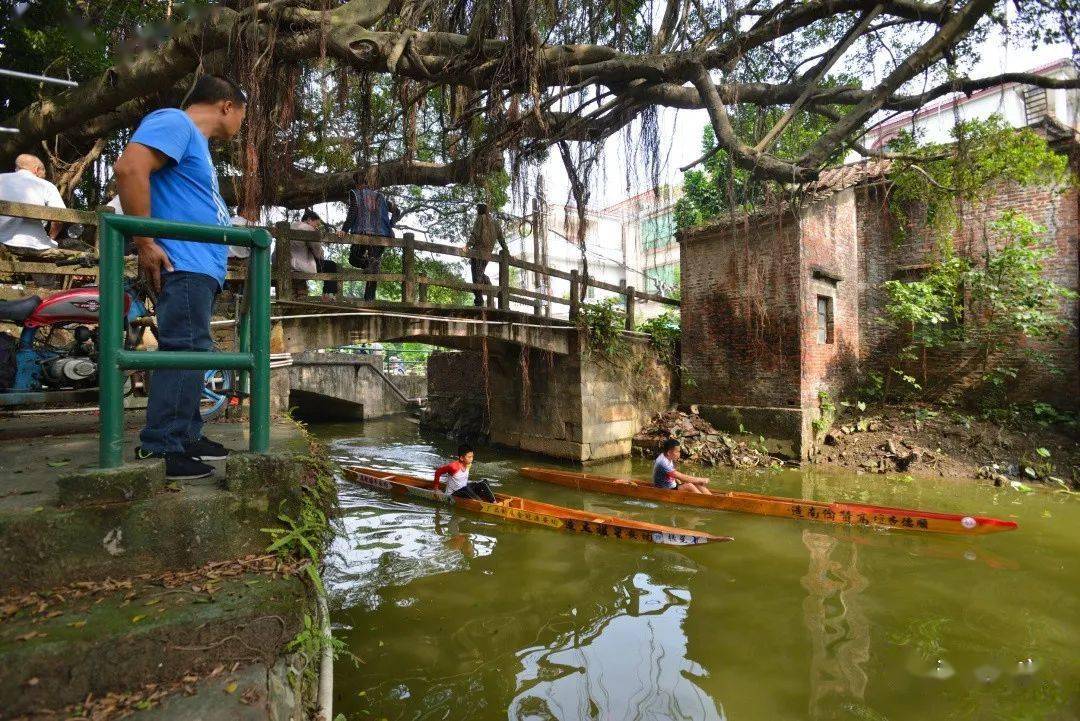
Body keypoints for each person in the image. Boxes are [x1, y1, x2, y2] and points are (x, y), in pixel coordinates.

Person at [114, 74, 247, 481]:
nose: (242, 124)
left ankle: (187, 436)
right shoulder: (175, 122)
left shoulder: (196, 146)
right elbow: (129, 168)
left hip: (199, 269)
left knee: (194, 352)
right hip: (184, 265)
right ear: (228, 106)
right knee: (183, 348)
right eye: (244, 115)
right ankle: (161, 447)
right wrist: (145, 239)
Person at [341, 175, 399, 301]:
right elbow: (397, 211)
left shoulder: (355, 193)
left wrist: (344, 230)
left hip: (362, 234)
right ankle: (369, 299)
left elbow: (353, 211)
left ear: (357, 184)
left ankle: (369, 265)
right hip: (382, 235)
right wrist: (390, 225)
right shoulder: (380, 196)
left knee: (354, 258)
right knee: (374, 267)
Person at [0, 154, 66, 258]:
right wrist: (52, 237)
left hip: (2, 240)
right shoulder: (46, 185)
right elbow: (60, 218)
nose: (44, 176)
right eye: (44, 172)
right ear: (37, 169)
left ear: (17, 168)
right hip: (36, 245)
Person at [288, 209, 339, 299]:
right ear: (309, 220)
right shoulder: (309, 229)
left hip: (283, 263)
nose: (317, 228)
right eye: (317, 224)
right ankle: (329, 295)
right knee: (331, 265)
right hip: (298, 264)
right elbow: (318, 253)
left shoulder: (291, 225)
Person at [466, 203, 508, 307]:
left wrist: (467, 245)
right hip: (487, 254)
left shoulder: (481, 218)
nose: (477, 211)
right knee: (479, 275)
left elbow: (475, 234)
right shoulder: (496, 223)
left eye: (477, 209)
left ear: (481, 210)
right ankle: (485, 285)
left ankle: (479, 301)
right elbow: (501, 239)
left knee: (476, 277)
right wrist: (506, 250)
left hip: (478, 252)